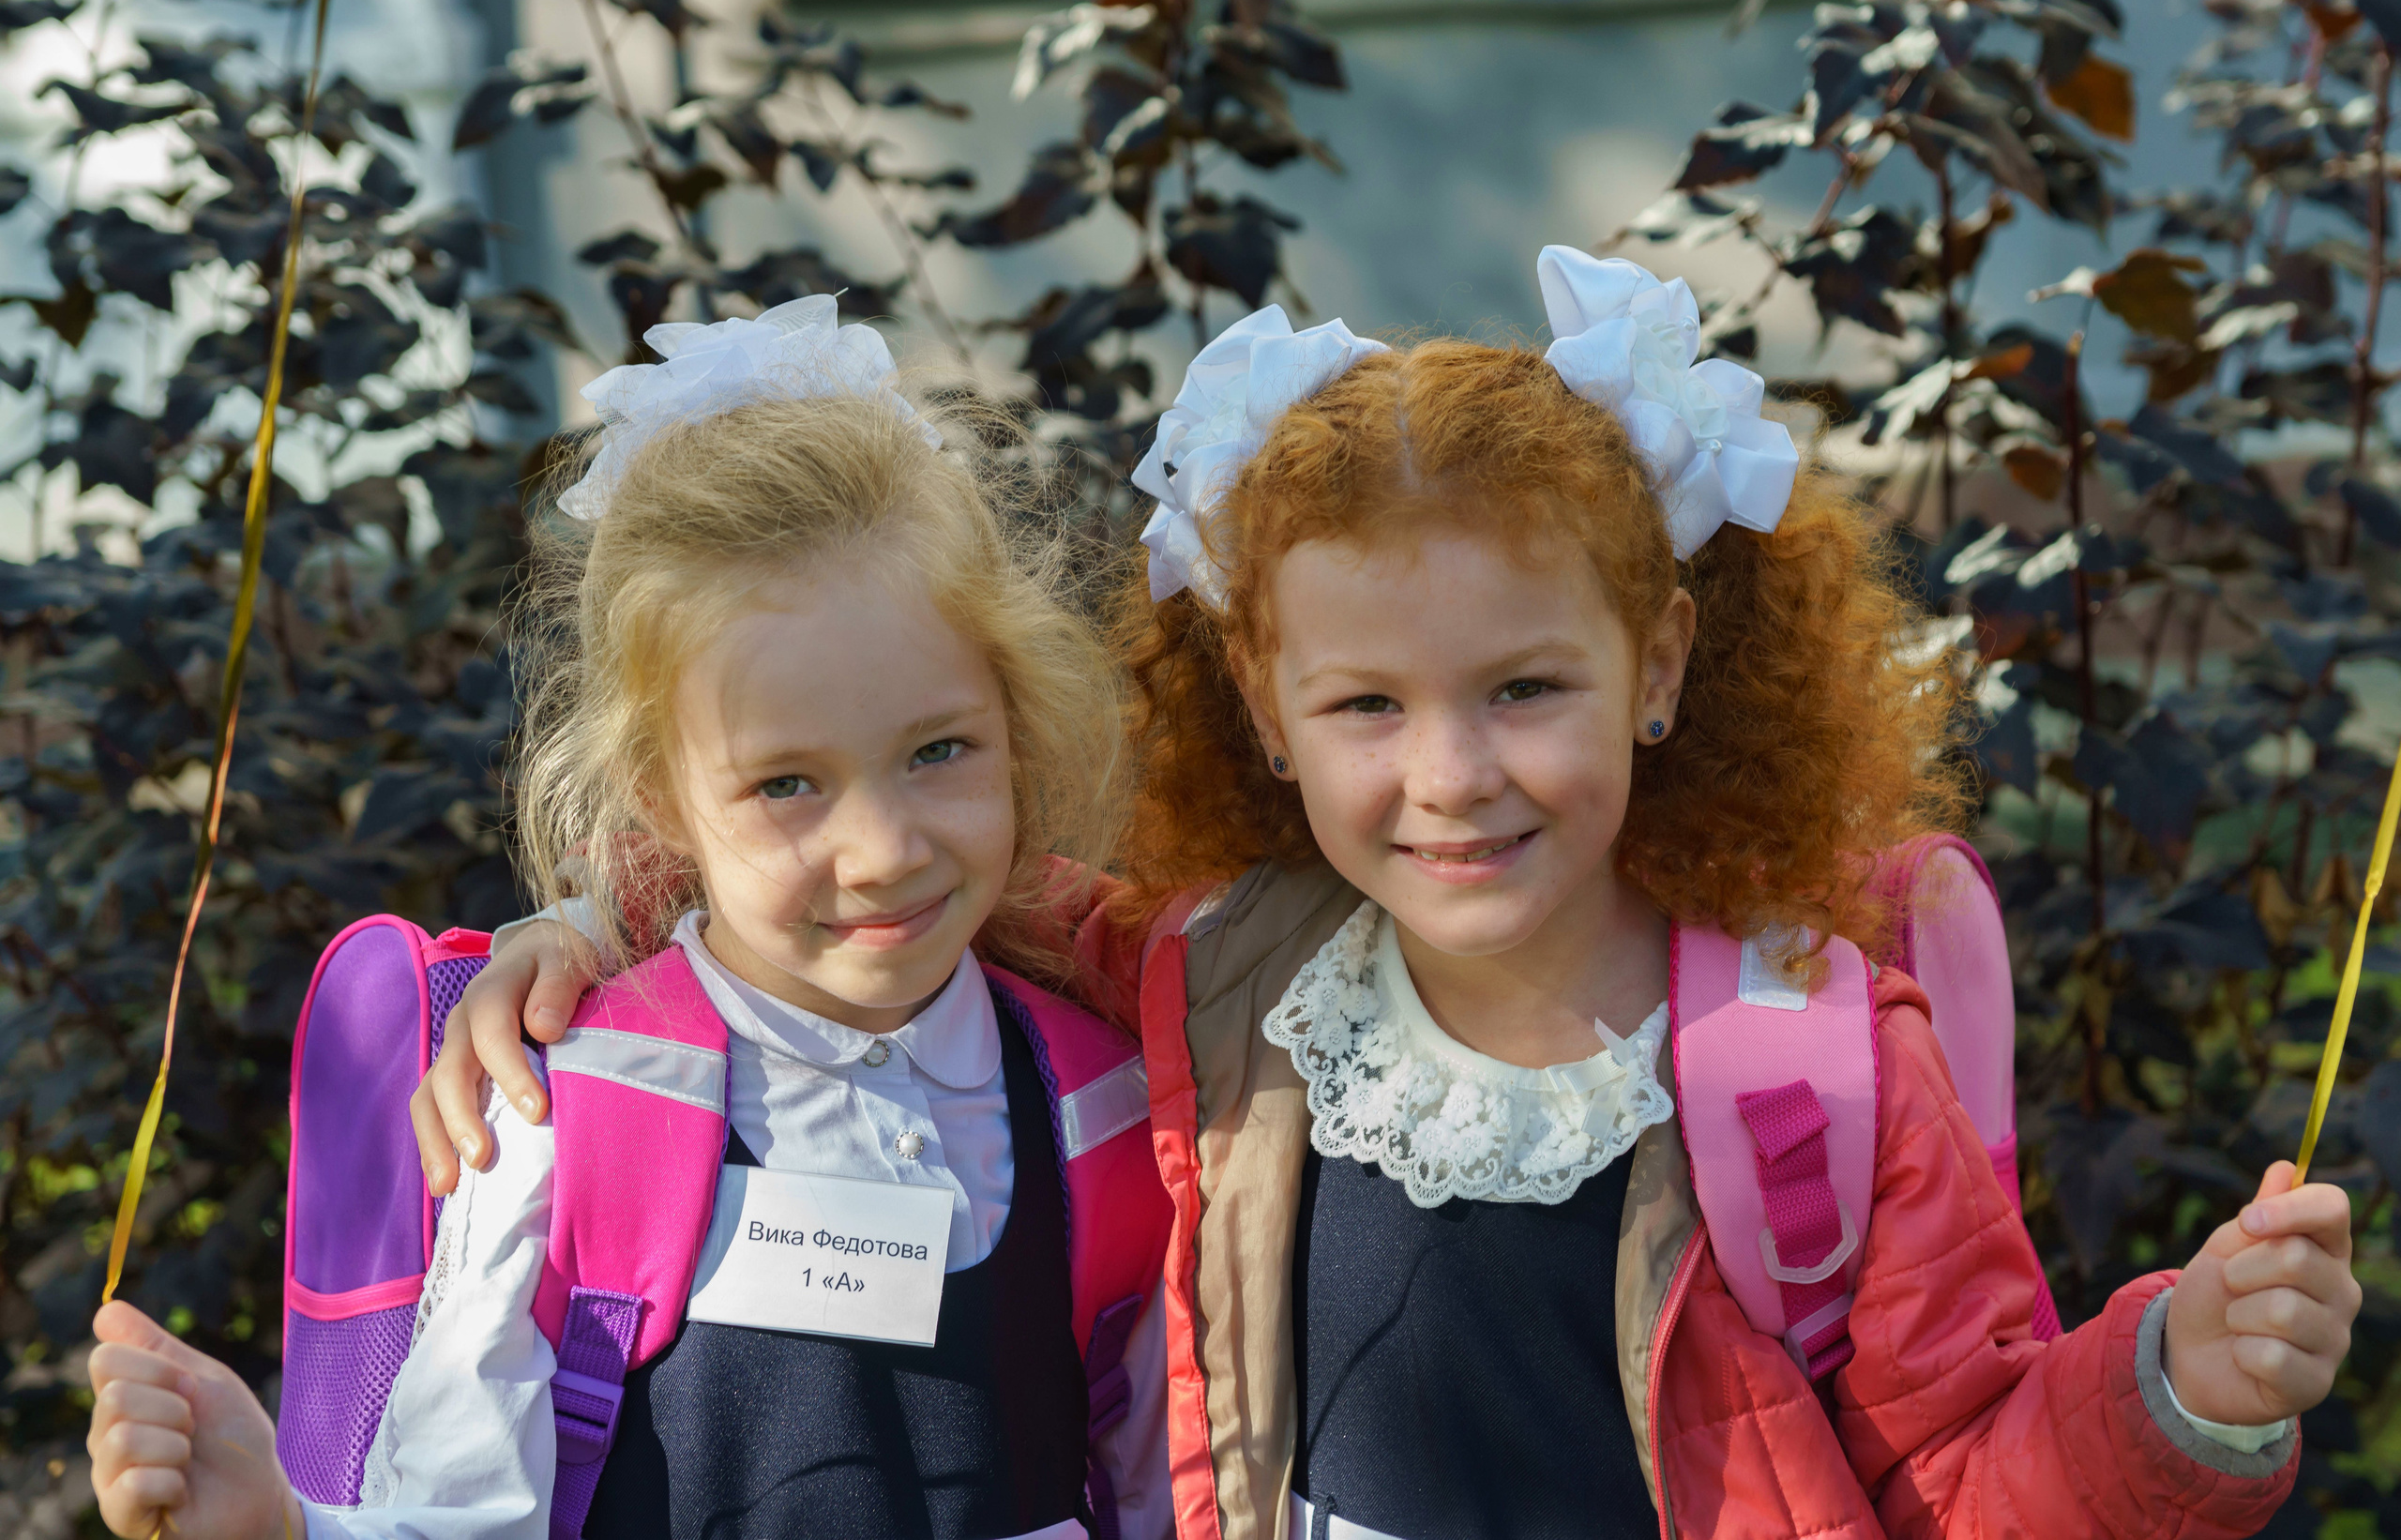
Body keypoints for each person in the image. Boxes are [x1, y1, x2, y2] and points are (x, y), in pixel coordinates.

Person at [407, 252, 2355, 1540]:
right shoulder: (1216, 980)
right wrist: (599, 927)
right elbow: (890, 882)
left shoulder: (1802, 1057)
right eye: (1363, 703)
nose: (1448, 775)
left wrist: (2171, 1386)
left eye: (1523, 686)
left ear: (1659, 662)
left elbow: (1958, 1471)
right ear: (1263, 705)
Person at [84, 298, 1173, 1540]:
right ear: (663, 794)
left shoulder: (1102, 1107)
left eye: (939, 750)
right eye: (786, 784)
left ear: (1015, 723)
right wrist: (275, 1525)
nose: (882, 850)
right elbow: (460, 1514)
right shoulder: (576, 1105)